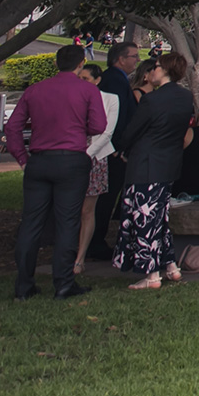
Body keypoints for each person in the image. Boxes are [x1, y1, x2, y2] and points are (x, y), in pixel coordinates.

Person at [7, 44, 106, 301]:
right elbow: (98, 125)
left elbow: (12, 127)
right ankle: (63, 282)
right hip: (72, 159)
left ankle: (23, 284)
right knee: (68, 221)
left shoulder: (35, 90)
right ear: (81, 64)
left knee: (31, 222)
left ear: (55, 64)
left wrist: (22, 157)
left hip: (39, 159)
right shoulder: (87, 89)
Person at [110, 51, 195, 291]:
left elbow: (132, 131)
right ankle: (170, 265)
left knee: (144, 218)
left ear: (165, 70)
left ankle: (151, 274)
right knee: (160, 217)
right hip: (168, 162)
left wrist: (121, 146)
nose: (151, 71)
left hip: (145, 164)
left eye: (156, 67)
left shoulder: (152, 100)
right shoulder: (185, 97)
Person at [84, 40, 140, 262]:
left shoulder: (118, 80)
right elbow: (113, 118)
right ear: (120, 59)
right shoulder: (114, 81)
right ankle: (94, 242)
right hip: (111, 150)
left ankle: (96, 239)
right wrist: (117, 147)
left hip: (114, 147)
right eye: (133, 56)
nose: (137, 60)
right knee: (104, 198)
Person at [71, 58, 121, 279]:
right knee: (70, 207)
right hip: (72, 155)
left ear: (98, 80)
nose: (82, 82)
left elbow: (107, 132)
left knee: (87, 209)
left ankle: (80, 257)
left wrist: (87, 154)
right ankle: (69, 252)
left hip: (95, 156)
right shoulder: (72, 97)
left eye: (86, 79)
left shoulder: (109, 99)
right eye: (79, 78)